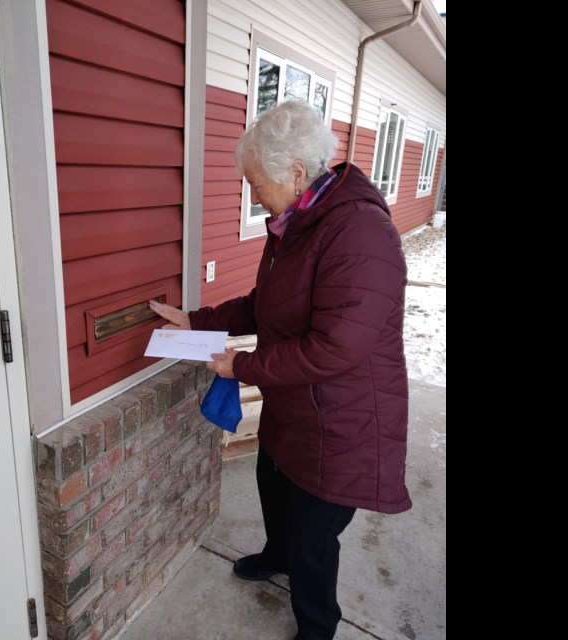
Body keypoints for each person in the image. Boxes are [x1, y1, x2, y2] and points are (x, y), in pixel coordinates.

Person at [150, 99, 411, 640]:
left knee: (315, 537)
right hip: (298, 406)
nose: (253, 195)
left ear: (295, 173)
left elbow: (336, 347)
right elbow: (264, 303)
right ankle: (277, 555)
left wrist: (241, 364)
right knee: (273, 482)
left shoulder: (359, 233)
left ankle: (317, 627)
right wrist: (194, 320)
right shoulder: (296, 222)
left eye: (257, 183)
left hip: (343, 422)